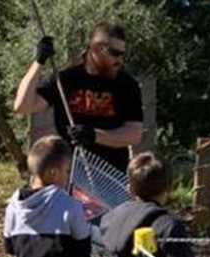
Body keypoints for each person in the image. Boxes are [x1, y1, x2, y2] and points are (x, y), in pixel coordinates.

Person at [13, 22, 143, 173]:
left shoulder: (127, 85)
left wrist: (94, 135)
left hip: (111, 176)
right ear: (96, 49)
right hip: (69, 174)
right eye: (115, 53)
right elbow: (22, 106)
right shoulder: (65, 80)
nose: (120, 60)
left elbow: (134, 134)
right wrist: (38, 62)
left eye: (122, 54)